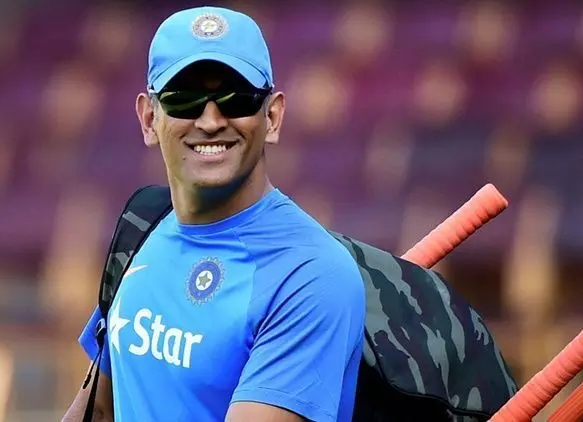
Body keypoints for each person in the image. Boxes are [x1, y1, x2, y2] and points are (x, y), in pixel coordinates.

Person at [62, 6, 366, 422]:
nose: (210, 121)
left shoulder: (310, 275)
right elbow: (98, 408)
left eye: (236, 99)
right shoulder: (141, 227)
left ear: (272, 117)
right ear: (149, 119)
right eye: (184, 99)